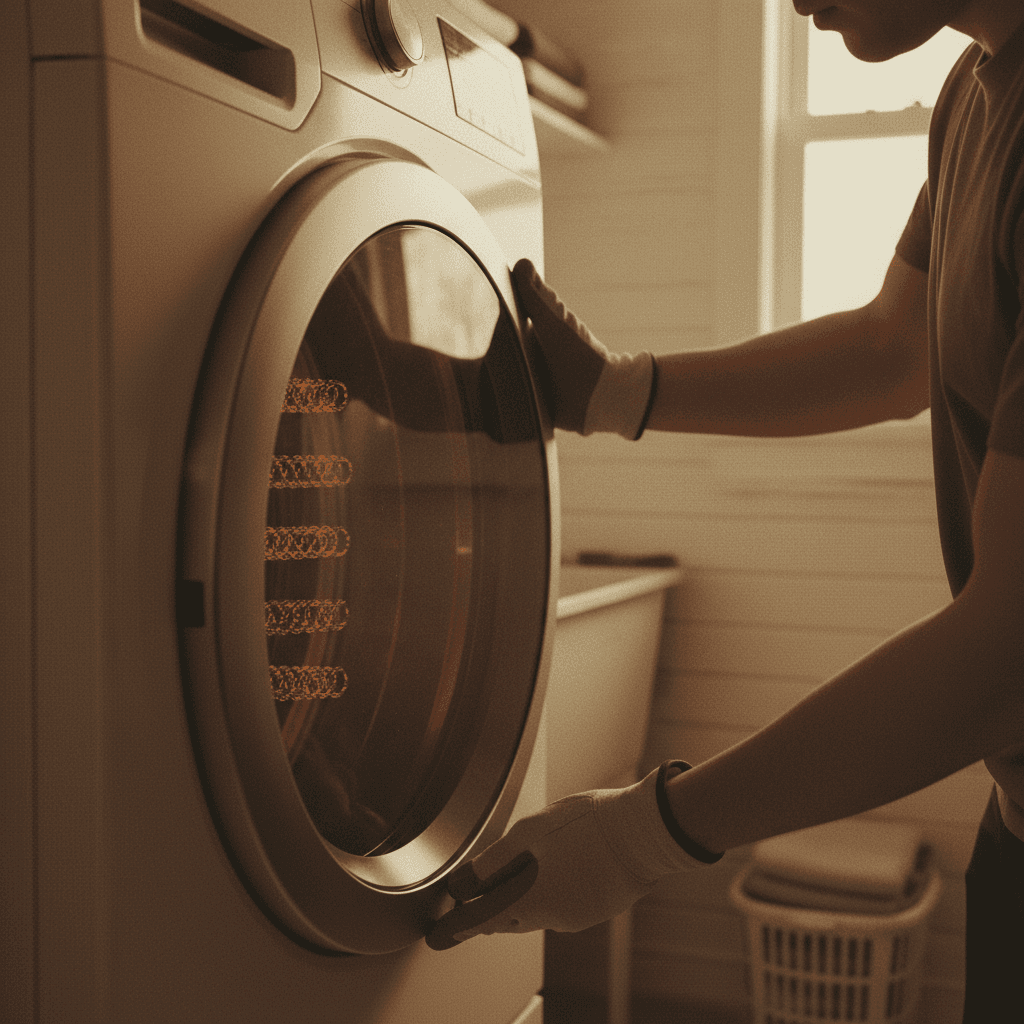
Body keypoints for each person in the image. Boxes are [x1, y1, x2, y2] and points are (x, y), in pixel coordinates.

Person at [429, 1, 1024, 1019]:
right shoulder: (974, 95)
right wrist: (615, 392)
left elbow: (1005, 647)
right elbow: (894, 346)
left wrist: (637, 837)